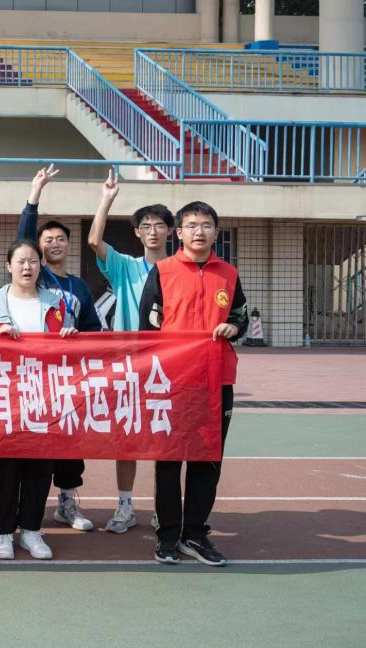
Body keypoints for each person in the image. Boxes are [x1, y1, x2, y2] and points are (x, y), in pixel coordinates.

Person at [141, 201, 246, 567]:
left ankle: (195, 535)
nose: (199, 231)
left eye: (206, 225)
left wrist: (234, 327)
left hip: (217, 379)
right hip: (172, 382)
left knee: (208, 459)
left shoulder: (229, 274)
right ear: (179, 233)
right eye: (191, 225)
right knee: (169, 461)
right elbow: (145, 330)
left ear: (216, 232)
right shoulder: (162, 272)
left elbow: (240, 315)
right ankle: (168, 536)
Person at [86, 171, 174, 534]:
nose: (153, 231)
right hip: (130, 367)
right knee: (128, 437)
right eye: (146, 226)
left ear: (170, 231)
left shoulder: (180, 270)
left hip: (170, 367)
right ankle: (125, 506)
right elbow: (94, 241)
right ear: (137, 233)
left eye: (159, 225)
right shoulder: (125, 267)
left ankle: (165, 508)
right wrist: (107, 199)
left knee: (166, 441)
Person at [17, 166, 102, 533]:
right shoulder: (37, 278)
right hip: (35, 375)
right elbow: (23, 237)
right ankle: (25, 505)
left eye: (60, 239)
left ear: (68, 244)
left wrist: (80, 341)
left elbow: (94, 330)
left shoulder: (80, 286)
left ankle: (67, 502)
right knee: (35, 439)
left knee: (70, 439)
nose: (54, 244)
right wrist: (35, 194)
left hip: (70, 378)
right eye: (47, 239)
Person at [0, 239, 78, 560]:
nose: (27, 267)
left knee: (40, 467)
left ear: (41, 266)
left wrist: (70, 337)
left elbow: (70, 349)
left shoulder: (56, 303)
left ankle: (31, 530)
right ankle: (2, 532)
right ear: (8, 266)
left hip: (45, 395)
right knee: (7, 468)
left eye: (33, 261)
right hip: (6, 396)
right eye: (20, 261)